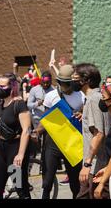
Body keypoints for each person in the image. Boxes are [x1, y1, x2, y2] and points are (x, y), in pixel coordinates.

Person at [34, 65, 85, 199]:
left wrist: (82, 113)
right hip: (53, 142)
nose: (65, 86)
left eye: (68, 83)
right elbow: (45, 119)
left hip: (72, 142)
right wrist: (36, 132)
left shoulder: (81, 96)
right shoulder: (51, 96)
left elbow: (86, 115)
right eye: (62, 83)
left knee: (75, 182)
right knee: (47, 180)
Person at [0, 73, 32, 199]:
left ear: (12, 87)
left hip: (15, 149)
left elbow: (26, 130)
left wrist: (20, 154)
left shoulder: (19, 104)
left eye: (3, 86)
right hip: (2, 149)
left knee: (20, 187)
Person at [72, 63, 111, 198]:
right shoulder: (94, 98)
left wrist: (87, 164)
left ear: (87, 80)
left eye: (75, 77)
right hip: (96, 164)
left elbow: (99, 133)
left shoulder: (94, 99)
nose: (72, 81)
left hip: (96, 166)